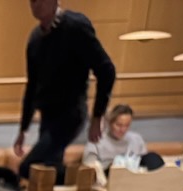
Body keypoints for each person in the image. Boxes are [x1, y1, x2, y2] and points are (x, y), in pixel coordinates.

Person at [14, 0, 117, 181]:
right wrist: (23, 129)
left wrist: (97, 115)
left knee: (28, 167)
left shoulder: (75, 26)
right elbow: (32, 87)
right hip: (48, 114)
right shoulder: (36, 39)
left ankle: (86, 179)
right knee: (48, 172)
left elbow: (106, 70)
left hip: (70, 112)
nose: (36, 5)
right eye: (33, 1)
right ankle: (73, 190)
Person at [84, 104, 162, 170]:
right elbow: (88, 165)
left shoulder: (136, 139)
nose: (122, 130)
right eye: (119, 125)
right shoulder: (96, 140)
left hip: (134, 174)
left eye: (127, 125)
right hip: (110, 174)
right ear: (110, 123)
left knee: (152, 157)